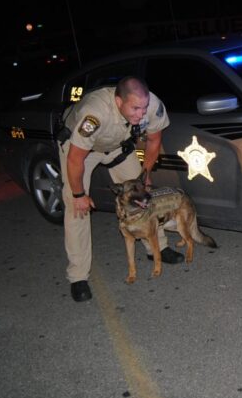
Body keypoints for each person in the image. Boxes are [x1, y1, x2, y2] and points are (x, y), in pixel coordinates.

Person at [59, 76, 183, 302]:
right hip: (81, 151)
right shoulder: (94, 113)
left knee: (143, 197)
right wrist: (79, 195)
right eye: (135, 108)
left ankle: (157, 248)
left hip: (117, 147)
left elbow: (154, 141)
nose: (141, 114)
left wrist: (145, 175)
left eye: (144, 107)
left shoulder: (152, 106)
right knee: (77, 209)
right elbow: (75, 159)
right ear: (118, 102)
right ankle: (78, 276)